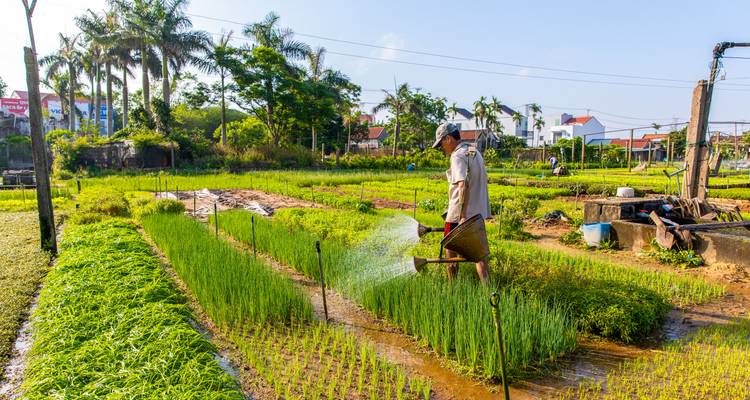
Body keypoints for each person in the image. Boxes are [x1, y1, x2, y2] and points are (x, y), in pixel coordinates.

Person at [432, 122, 491, 283]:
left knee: (449, 248)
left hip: (459, 216)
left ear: (448, 139)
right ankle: (489, 292)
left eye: (441, 144)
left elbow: (462, 184)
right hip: (477, 214)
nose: (442, 148)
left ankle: (453, 287)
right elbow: (478, 178)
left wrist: (462, 215)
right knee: (480, 255)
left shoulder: (457, 155)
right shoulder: (473, 151)